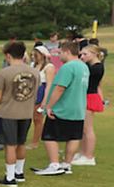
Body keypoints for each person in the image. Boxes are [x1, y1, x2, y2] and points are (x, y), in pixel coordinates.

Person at [33, 41, 89, 176]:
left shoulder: (67, 67)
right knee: (73, 136)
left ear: (67, 52)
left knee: (49, 136)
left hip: (63, 108)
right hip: (78, 108)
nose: (59, 56)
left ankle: (54, 164)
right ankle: (67, 164)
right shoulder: (84, 67)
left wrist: (49, 106)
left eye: (60, 52)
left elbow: (59, 88)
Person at [0, 41, 39, 186]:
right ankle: (19, 172)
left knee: (10, 145)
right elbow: (35, 93)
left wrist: (4, 101)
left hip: (8, 113)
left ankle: (10, 178)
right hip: (26, 112)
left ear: (8, 55)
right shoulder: (34, 72)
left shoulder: (4, 73)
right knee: (21, 143)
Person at [73, 43, 105, 166]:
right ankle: (82, 153)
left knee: (88, 129)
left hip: (90, 97)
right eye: (81, 54)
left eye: (85, 54)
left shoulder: (96, 67)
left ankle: (89, 156)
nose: (82, 56)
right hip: (87, 96)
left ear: (94, 54)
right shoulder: (90, 65)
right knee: (83, 128)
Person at [28, 45, 56, 150]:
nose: (34, 56)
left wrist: (45, 100)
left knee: (38, 118)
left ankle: (35, 142)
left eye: (37, 54)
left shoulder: (49, 67)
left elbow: (49, 85)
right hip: (32, 91)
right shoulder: (32, 65)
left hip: (41, 92)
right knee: (32, 117)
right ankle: (41, 138)